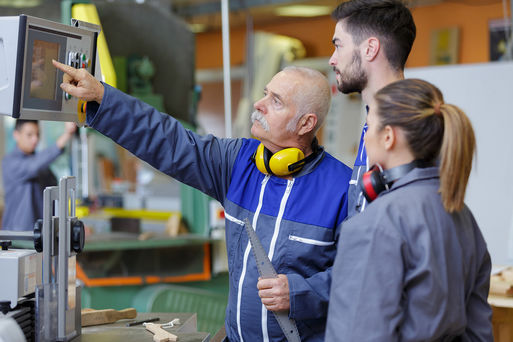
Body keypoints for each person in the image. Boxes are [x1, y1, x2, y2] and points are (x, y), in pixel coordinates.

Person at [52, 59, 353, 341]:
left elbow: (361, 277)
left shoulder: (342, 189)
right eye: (264, 94)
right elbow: (169, 140)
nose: (258, 105)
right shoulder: (239, 163)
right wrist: (103, 98)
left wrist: (301, 293)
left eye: (275, 102)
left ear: (305, 124)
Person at [325, 78, 493, 340]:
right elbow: (479, 330)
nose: (366, 136)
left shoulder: (376, 223)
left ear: (389, 136)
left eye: (368, 127)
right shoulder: (462, 214)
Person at [329, 0, 416, 217]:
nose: (332, 59)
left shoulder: (407, 130)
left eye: (338, 45)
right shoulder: (375, 120)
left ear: (370, 49)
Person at [2, 120, 76, 231]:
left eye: (37, 134)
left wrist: (69, 225)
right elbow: (33, 166)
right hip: (17, 238)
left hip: (41, 235)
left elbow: (55, 195)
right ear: (16, 135)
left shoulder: (41, 165)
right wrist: (66, 135)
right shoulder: (10, 162)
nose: (35, 139)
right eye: (29, 135)